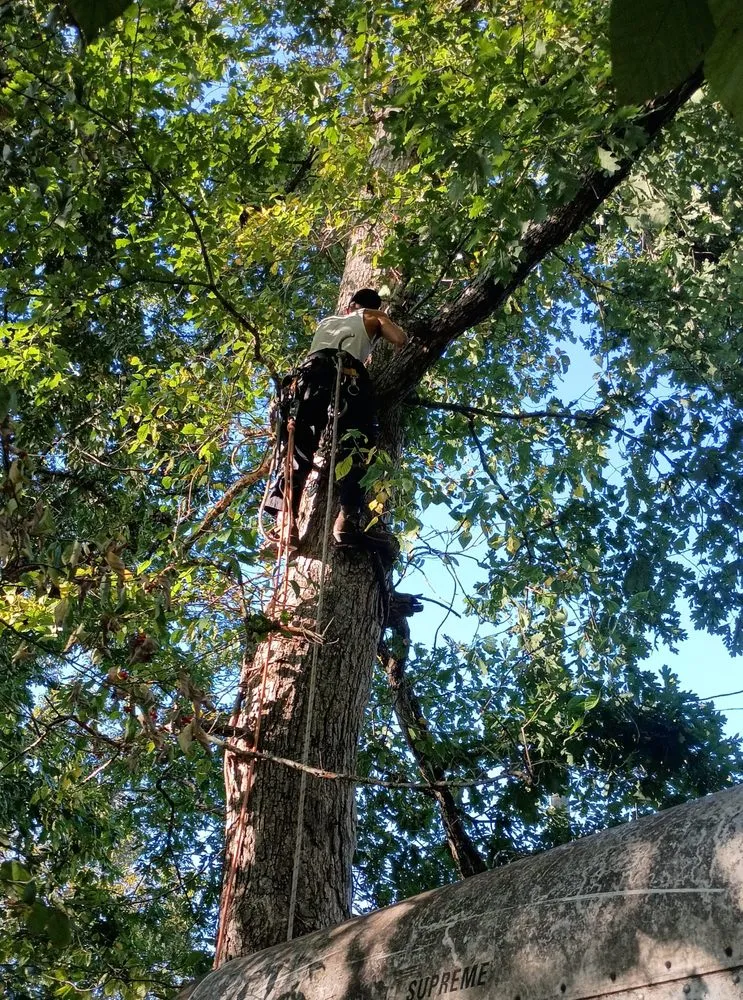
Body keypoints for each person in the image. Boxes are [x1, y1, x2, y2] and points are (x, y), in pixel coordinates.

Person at [264, 288, 407, 549]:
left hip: (307, 380)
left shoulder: (328, 322)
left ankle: (286, 523)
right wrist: (382, 319)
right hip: (347, 377)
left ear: (349, 305)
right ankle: (347, 521)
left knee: (298, 450)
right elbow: (400, 339)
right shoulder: (372, 316)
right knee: (358, 446)